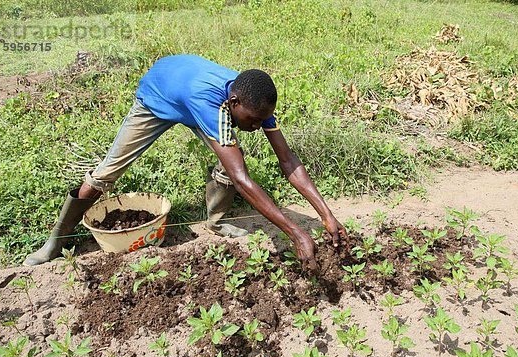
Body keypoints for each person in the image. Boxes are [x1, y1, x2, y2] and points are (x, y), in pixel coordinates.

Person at [23, 54, 347, 270]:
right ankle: (57, 240)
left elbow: (288, 160)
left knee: (231, 159)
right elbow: (242, 179)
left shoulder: (254, 100)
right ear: (233, 103)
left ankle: (217, 221)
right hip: (159, 96)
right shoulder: (213, 106)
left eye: (262, 120)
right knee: (107, 173)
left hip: (188, 85)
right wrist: (296, 233)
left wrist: (327, 216)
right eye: (252, 120)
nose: (256, 126)